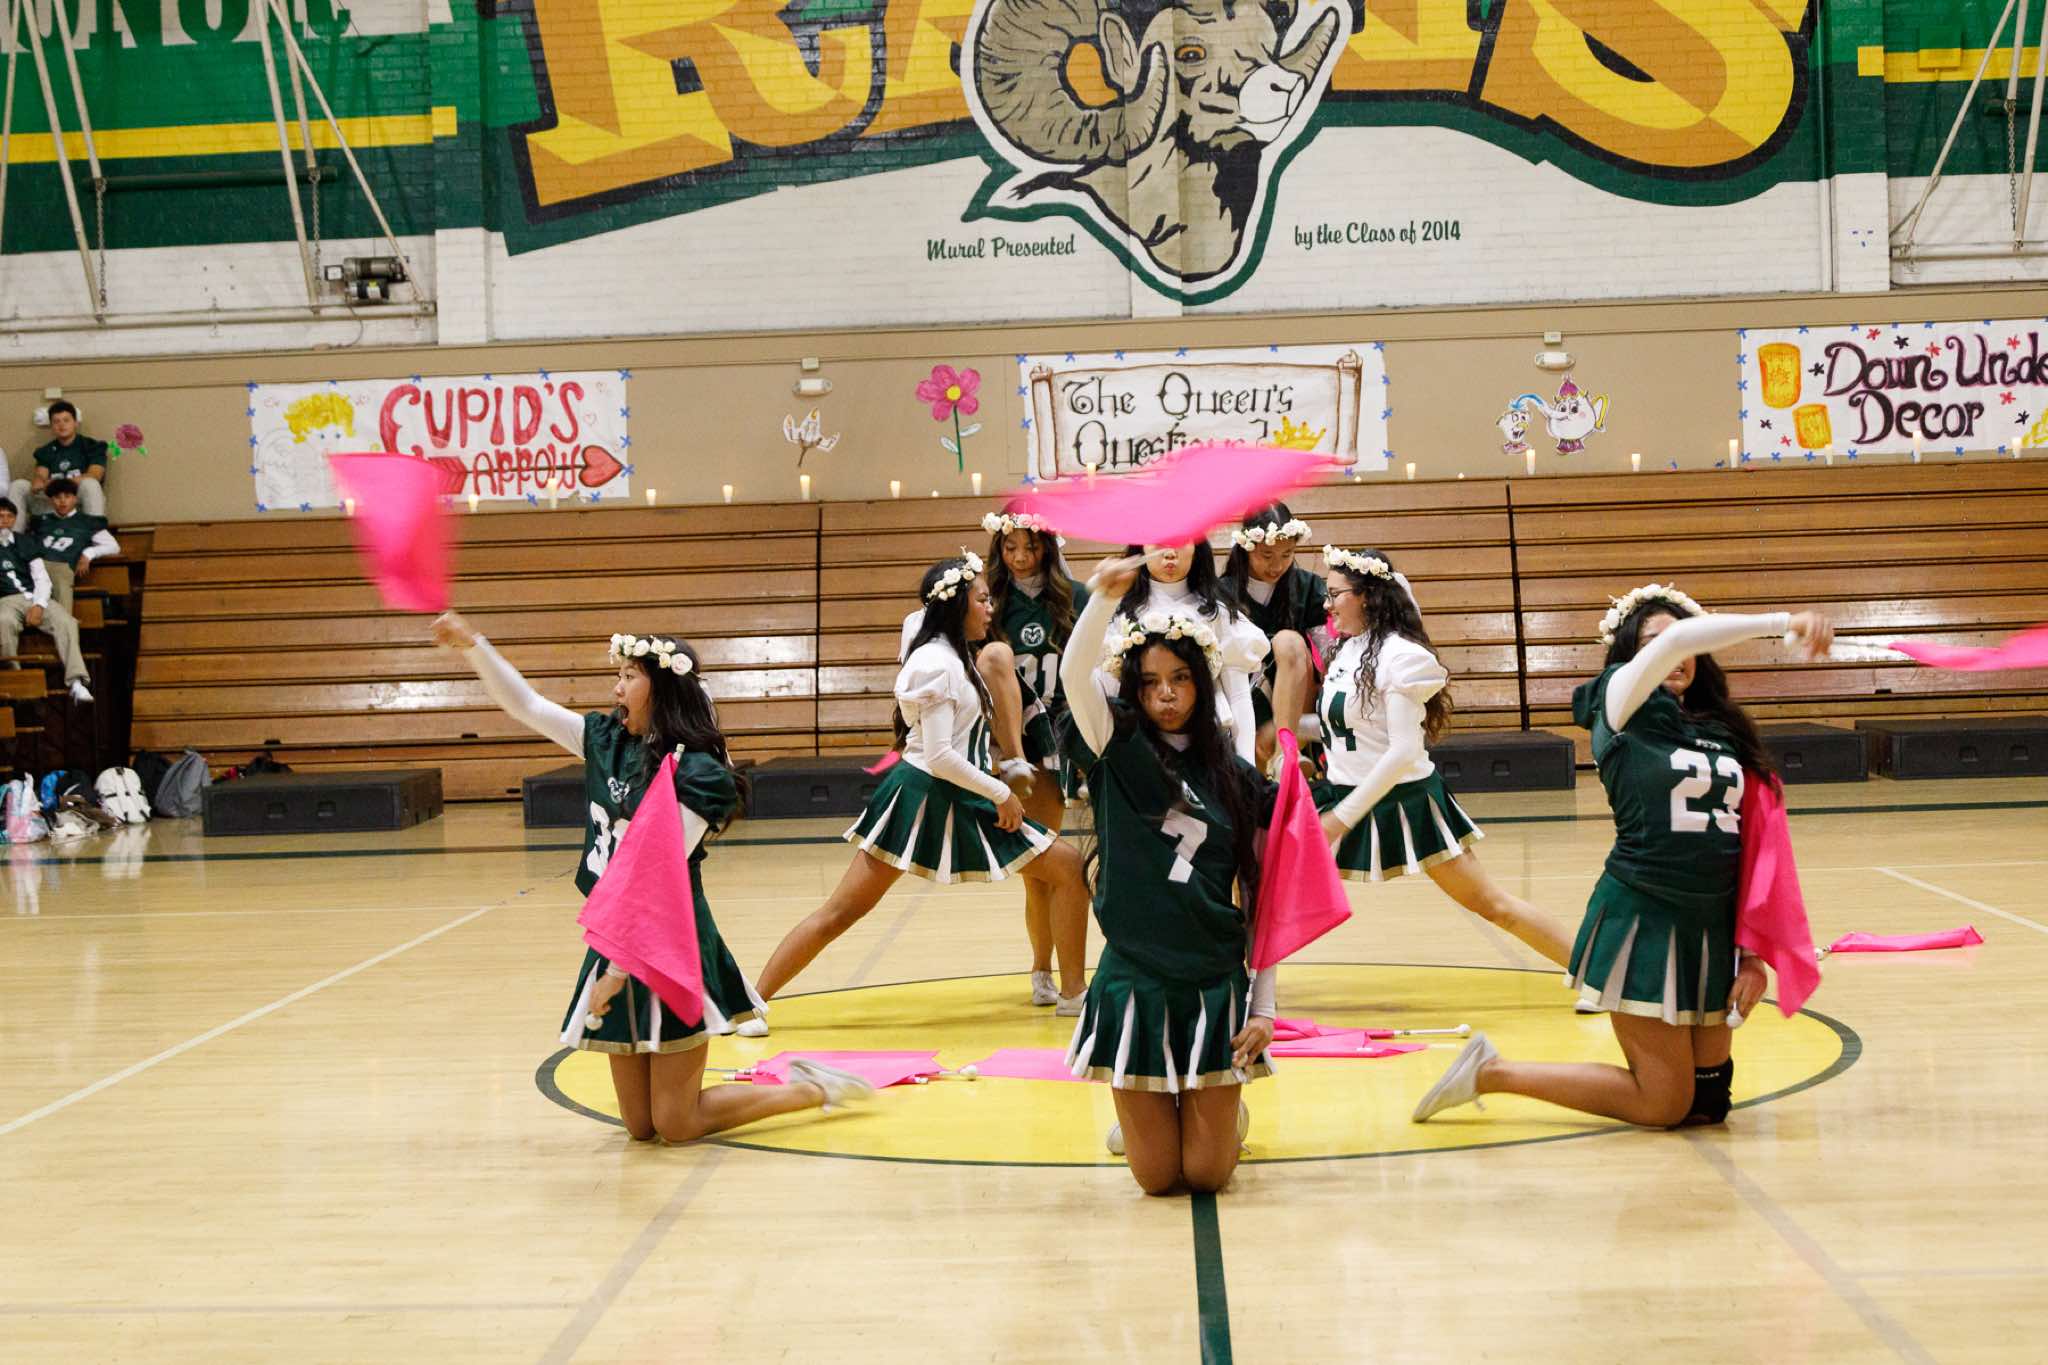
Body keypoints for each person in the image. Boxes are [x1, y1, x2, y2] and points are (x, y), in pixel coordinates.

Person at [434, 612, 868, 1141]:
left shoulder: (699, 773)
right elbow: (527, 705)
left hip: (671, 939)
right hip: (616, 933)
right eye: (617, 675)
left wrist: (615, 973)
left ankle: (809, 1088)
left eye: (629, 676)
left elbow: (655, 880)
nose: (616, 688)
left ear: (661, 688)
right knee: (641, 1127)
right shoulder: (604, 741)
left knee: (677, 1124)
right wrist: (473, 645)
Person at [1412, 585, 1834, 1129]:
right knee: (1663, 1106)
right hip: (1646, 917)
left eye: (1686, 644)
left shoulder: (1722, 728)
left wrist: (1751, 955)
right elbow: (1678, 638)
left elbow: (1752, 847)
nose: (1676, 652)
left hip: (1712, 925)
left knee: (1707, 1106)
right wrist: (1782, 620)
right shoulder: (1619, 702)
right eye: (1653, 642)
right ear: (1632, 654)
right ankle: (1492, 1071)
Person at [755, 552, 1094, 1010]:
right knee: (841, 911)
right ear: (956, 605)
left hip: (956, 792)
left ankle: (1073, 993)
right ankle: (753, 1000)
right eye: (981, 599)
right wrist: (1001, 792)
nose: (991, 607)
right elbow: (939, 756)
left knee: (1068, 868)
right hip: (922, 793)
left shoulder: (951, 651)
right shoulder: (936, 662)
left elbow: (921, 621)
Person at [1060, 554, 1289, 1196]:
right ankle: (1166, 1118)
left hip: (1215, 979)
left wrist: (1264, 1008)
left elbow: (1266, 898)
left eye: (1181, 678)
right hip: (1134, 977)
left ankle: (1221, 1115)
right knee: (1158, 1179)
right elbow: (1075, 674)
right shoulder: (1116, 749)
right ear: (1134, 689)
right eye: (1152, 681)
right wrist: (1102, 599)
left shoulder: (1238, 779)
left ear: (1203, 684)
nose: (1166, 693)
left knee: (1209, 1175)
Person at [1315, 545, 1573, 966]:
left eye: (1335, 594)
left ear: (1367, 596)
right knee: (1267, 879)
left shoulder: (1399, 655)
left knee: (1492, 905)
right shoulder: (1346, 649)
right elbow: (1352, 729)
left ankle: (1595, 975)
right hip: (1340, 794)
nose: (1327, 605)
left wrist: (1341, 818)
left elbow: (1403, 751)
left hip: (1404, 801)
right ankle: (1253, 988)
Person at [981, 510, 1089, 1005]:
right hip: (1016, 742)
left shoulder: (1075, 597)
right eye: (1010, 548)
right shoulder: (989, 602)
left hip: (1065, 735)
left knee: (1061, 863)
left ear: (1048, 546)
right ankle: (1042, 967)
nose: (1021, 557)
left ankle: (1071, 969)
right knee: (1037, 868)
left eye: (1031, 547)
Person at [1108, 539, 1268, 766]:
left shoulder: (1217, 612)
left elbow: (1239, 696)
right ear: (1141, 547)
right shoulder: (1120, 613)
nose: (1170, 553)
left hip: (1207, 747)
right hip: (1142, 747)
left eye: (1180, 541)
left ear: (1197, 547)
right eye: (1158, 543)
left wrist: (1247, 767)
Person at [1220, 504, 1324, 769]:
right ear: (1247, 548)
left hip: (1300, 695)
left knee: (1288, 641)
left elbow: (1329, 652)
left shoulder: (1309, 587)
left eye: (1287, 554)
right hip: (1244, 695)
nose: (1277, 565)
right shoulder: (1222, 593)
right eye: (1266, 555)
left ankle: (1284, 754)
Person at [0, 497, 91, 703]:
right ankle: (14, 678)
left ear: (14, 519)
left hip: (35, 595)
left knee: (67, 622)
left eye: (9, 516)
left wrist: (39, 605)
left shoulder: (26, 541)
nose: (4, 520)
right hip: (6, 600)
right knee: (3, 621)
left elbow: (42, 578)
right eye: (0, 516)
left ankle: (76, 682)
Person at [27, 478, 119, 615]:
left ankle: (64, 622)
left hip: (62, 566)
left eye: (67, 496)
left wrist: (88, 553)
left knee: (61, 591)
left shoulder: (87, 522)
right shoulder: (41, 521)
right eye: (57, 497)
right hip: (36, 565)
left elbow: (113, 546)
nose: (62, 501)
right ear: (51, 500)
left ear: (75, 499)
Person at [12, 401, 108, 519]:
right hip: (52, 501)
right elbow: (40, 477)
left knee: (90, 484)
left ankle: (96, 528)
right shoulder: (45, 451)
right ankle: (12, 531)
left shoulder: (92, 446)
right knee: (18, 486)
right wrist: (39, 481)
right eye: (56, 421)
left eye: (66, 420)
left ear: (75, 423)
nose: (61, 425)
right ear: (51, 426)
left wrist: (61, 483)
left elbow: (95, 475)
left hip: (76, 498)